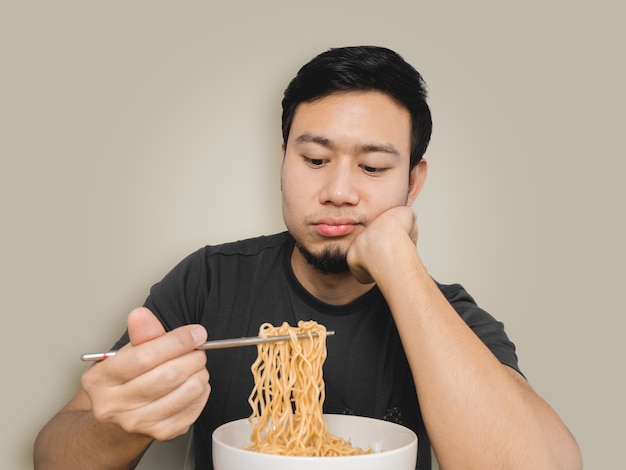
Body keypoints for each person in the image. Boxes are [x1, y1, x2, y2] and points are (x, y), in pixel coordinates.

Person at [34, 45, 582, 469]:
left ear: (413, 182)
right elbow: (54, 455)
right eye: (315, 159)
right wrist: (123, 423)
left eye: (372, 168)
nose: (339, 190)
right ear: (282, 162)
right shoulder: (208, 280)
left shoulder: (447, 315)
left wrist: (396, 259)